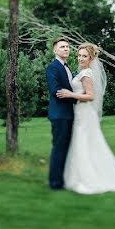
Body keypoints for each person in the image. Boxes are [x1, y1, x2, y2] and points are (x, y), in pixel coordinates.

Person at [56, 43, 115, 194]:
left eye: (84, 56)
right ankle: (79, 177)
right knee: (83, 143)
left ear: (91, 58)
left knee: (84, 143)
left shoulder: (87, 74)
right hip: (80, 112)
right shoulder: (82, 72)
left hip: (85, 113)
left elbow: (90, 96)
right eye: (79, 55)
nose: (80, 58)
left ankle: (89, 179)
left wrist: (70, 94)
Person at [45, 37, 75, 190]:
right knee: (59, 147)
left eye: (68, 47)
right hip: (60, 114)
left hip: (69, 113)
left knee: (66, 148)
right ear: (55, 50)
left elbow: (69, 89)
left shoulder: (67, 67)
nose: (66, 49)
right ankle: (55, 183)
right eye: (62, 46)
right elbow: (55, 90)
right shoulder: (52, 67)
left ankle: (63, 179)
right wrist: (74, 96)